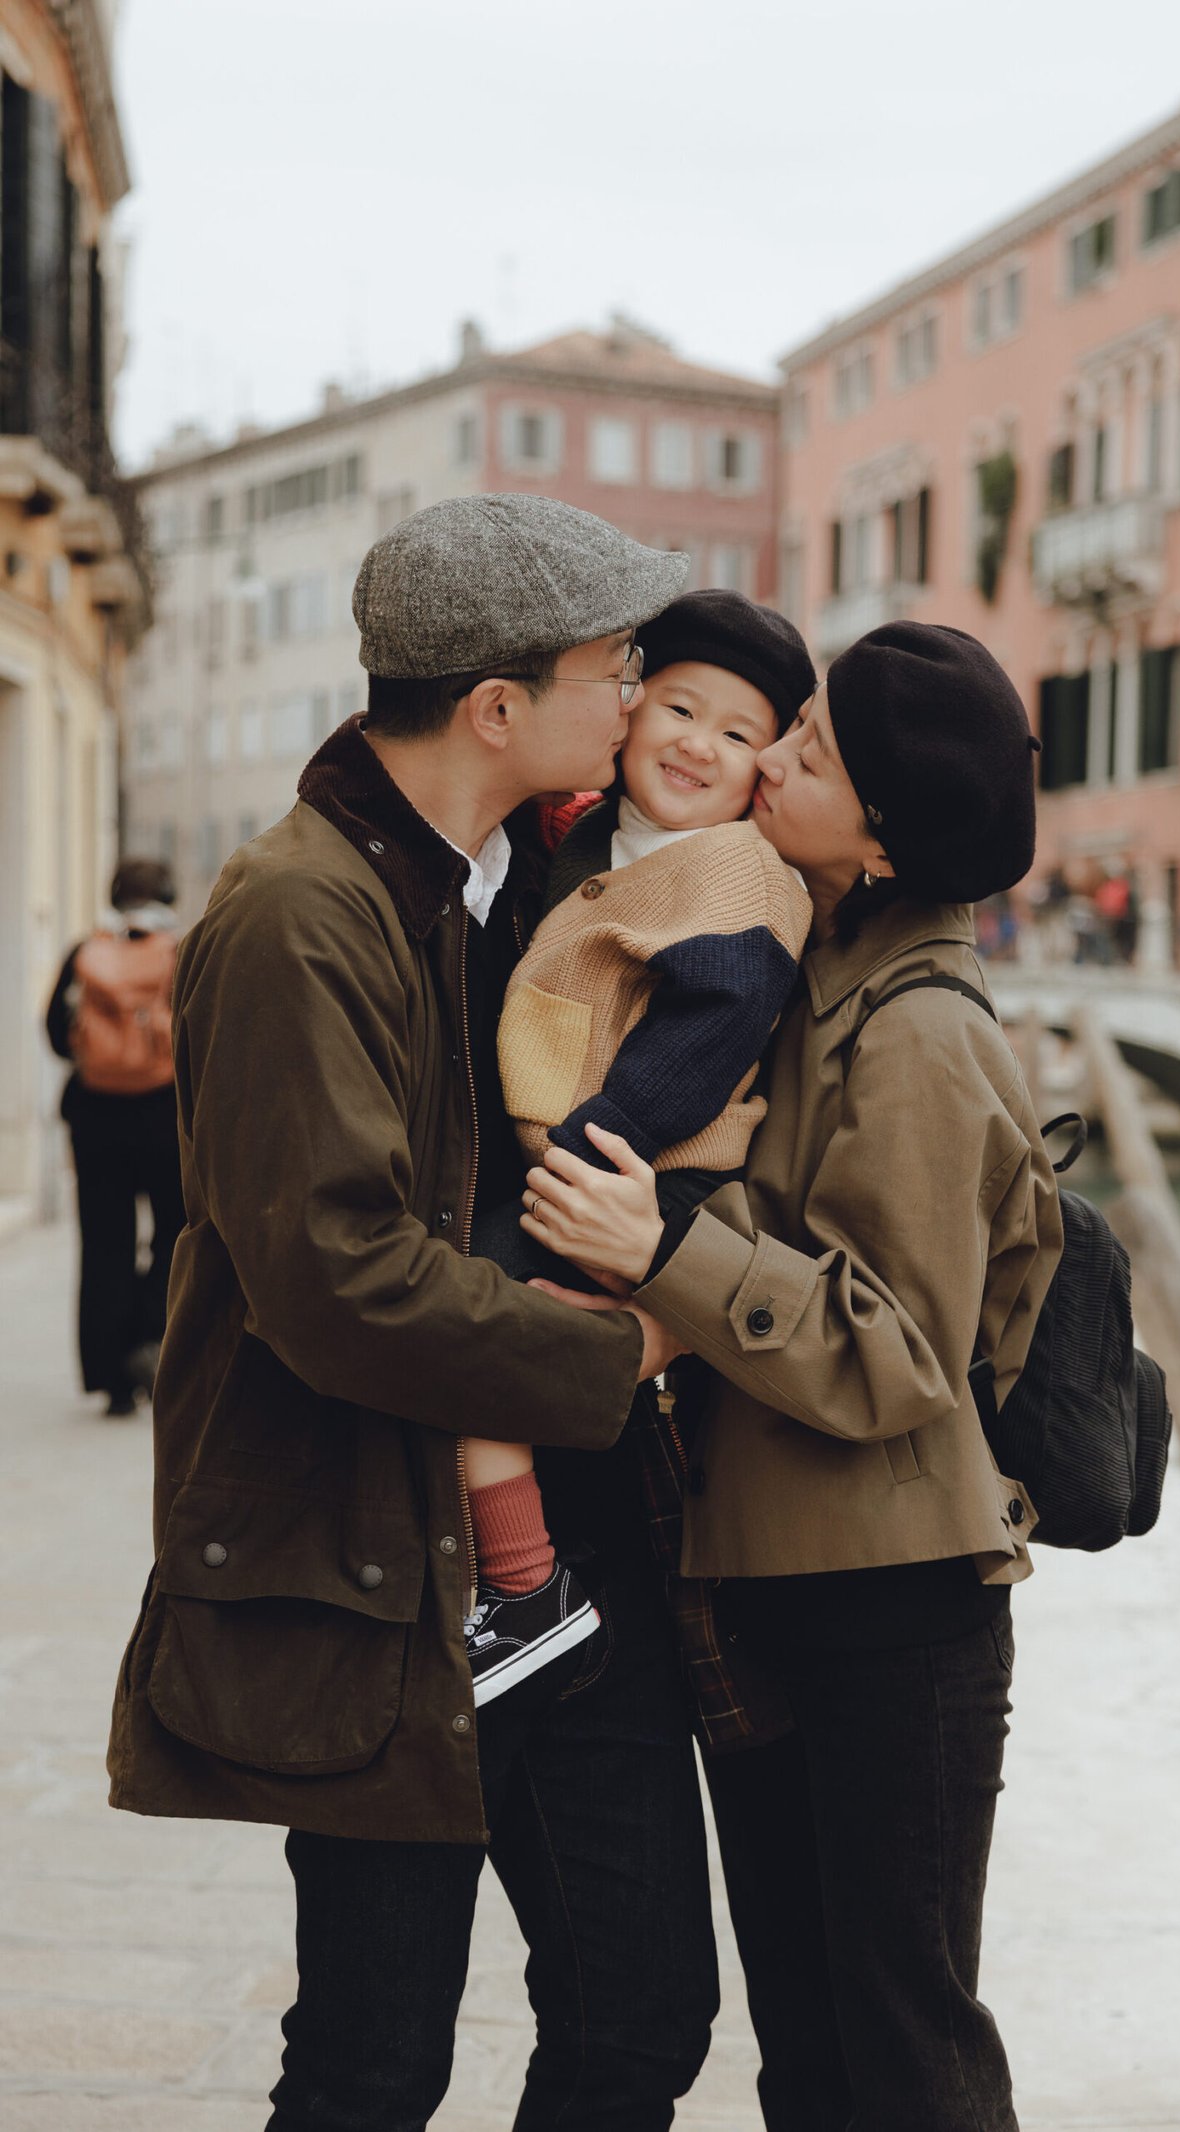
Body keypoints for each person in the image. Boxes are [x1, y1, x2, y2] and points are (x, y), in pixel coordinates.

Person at [107, 495, 721, 2132]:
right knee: (375, 2061)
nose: (637, 693)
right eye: (615, 666)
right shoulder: (298, 912)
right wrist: (621, 1351)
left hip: (564, 1550)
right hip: (381, 1561)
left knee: (641, 2014)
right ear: (498, 707)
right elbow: (338, 1275)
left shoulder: (503, 882)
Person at [526, 621, 1064, 2132]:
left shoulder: (920, 1032)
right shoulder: (798, 963)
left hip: (895, 1609)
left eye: (811, 754)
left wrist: (662, 1252)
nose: (768, 758)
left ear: (880, 843)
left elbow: (900, 1349)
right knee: (810, 2052)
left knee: (904, 2050)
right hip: (768, 1588)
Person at [456, 589, 813, 1712]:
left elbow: (705, 1037)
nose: (698, 745)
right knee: (484, 1329)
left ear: (766, 768)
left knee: (466, 1327)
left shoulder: (739, 873)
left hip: (646, 1167)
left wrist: (587, 1147)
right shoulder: (584, 837)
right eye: (679, 708)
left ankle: (524, 1590)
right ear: (629, 707)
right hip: (584, 1160)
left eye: (738, 733)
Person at [45, 856, 185, 1416]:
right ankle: (151, 1336)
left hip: (96, 1116)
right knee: (176, 1230)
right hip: (164, 1115)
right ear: (167, 896)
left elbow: (57, 1035)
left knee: (104, 1241)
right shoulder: (178, 951)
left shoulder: (85, 952)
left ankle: (111, 1375)